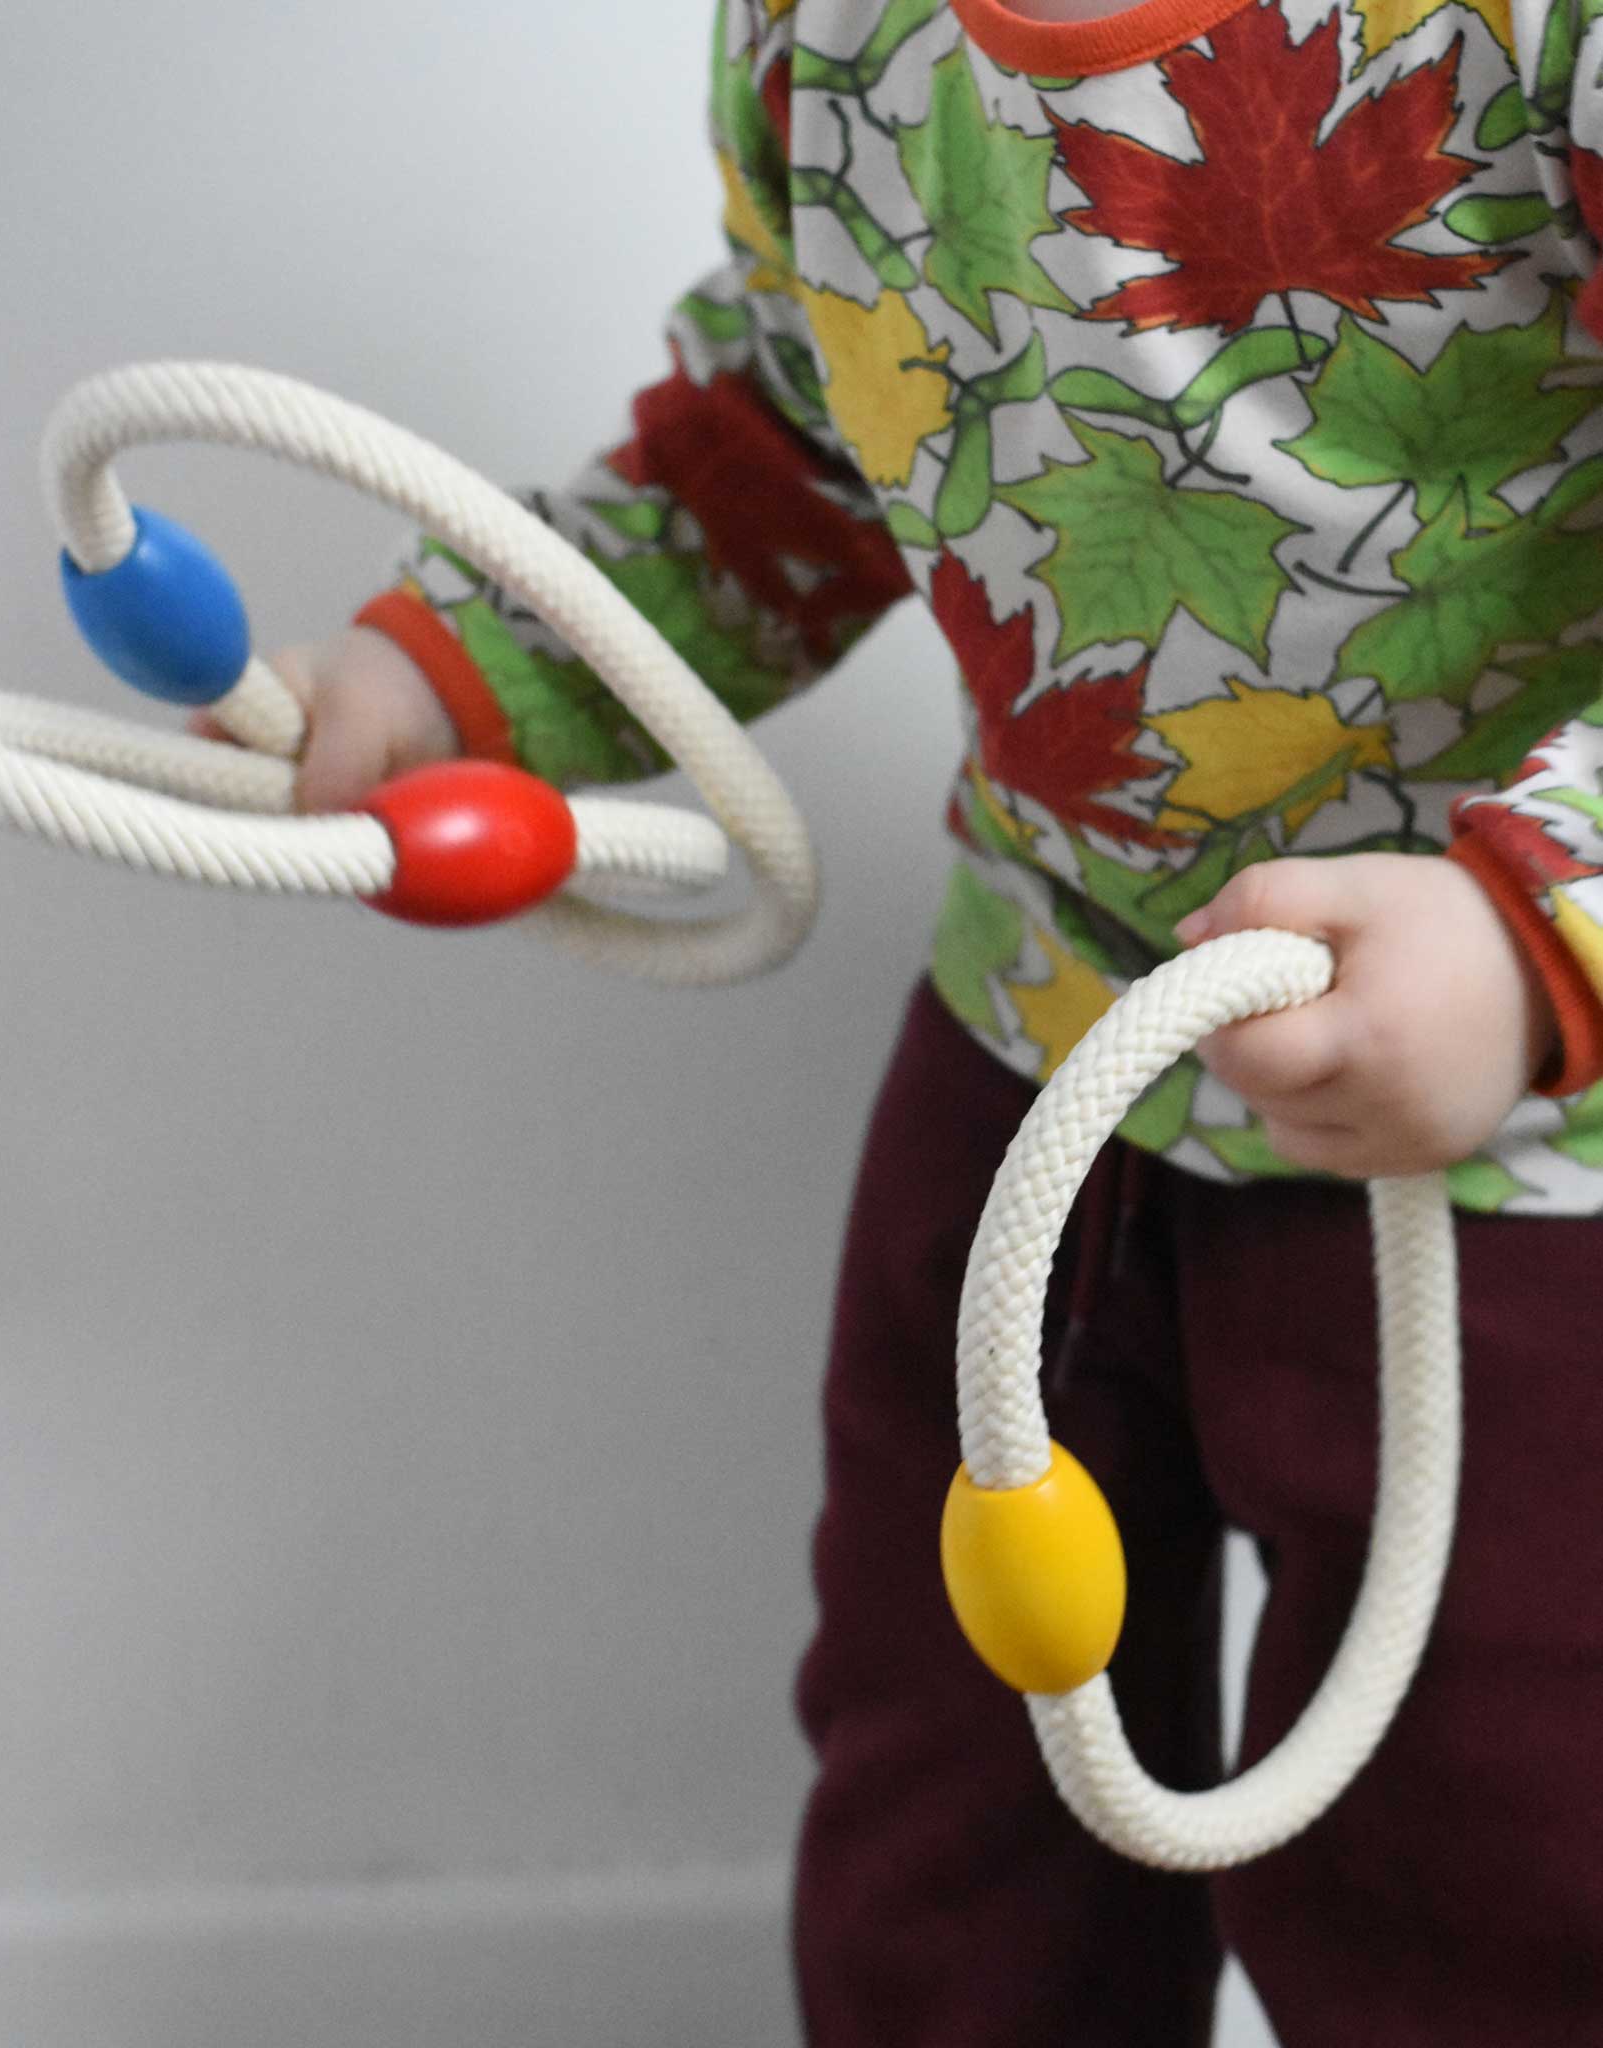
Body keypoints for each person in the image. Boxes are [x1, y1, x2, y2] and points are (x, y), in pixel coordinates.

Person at [215, 0, 1603, 2037]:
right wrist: (464, 679)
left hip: (1517, 1158)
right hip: (1032, 1052)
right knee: (951, 1817)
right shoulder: (826, 31)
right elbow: (802, 437)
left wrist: (1530, 936)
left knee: (1487, 1871)